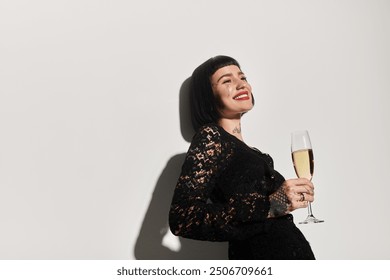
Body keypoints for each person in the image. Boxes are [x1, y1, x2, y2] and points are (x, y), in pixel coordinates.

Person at [169, 55, 316, 260]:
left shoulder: (254, 153)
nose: (240, 84)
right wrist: (270, 205)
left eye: (243, 77)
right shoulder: (211, 137)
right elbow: (183, 218)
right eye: (226, 81)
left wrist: (288, 201)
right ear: (208, 95)